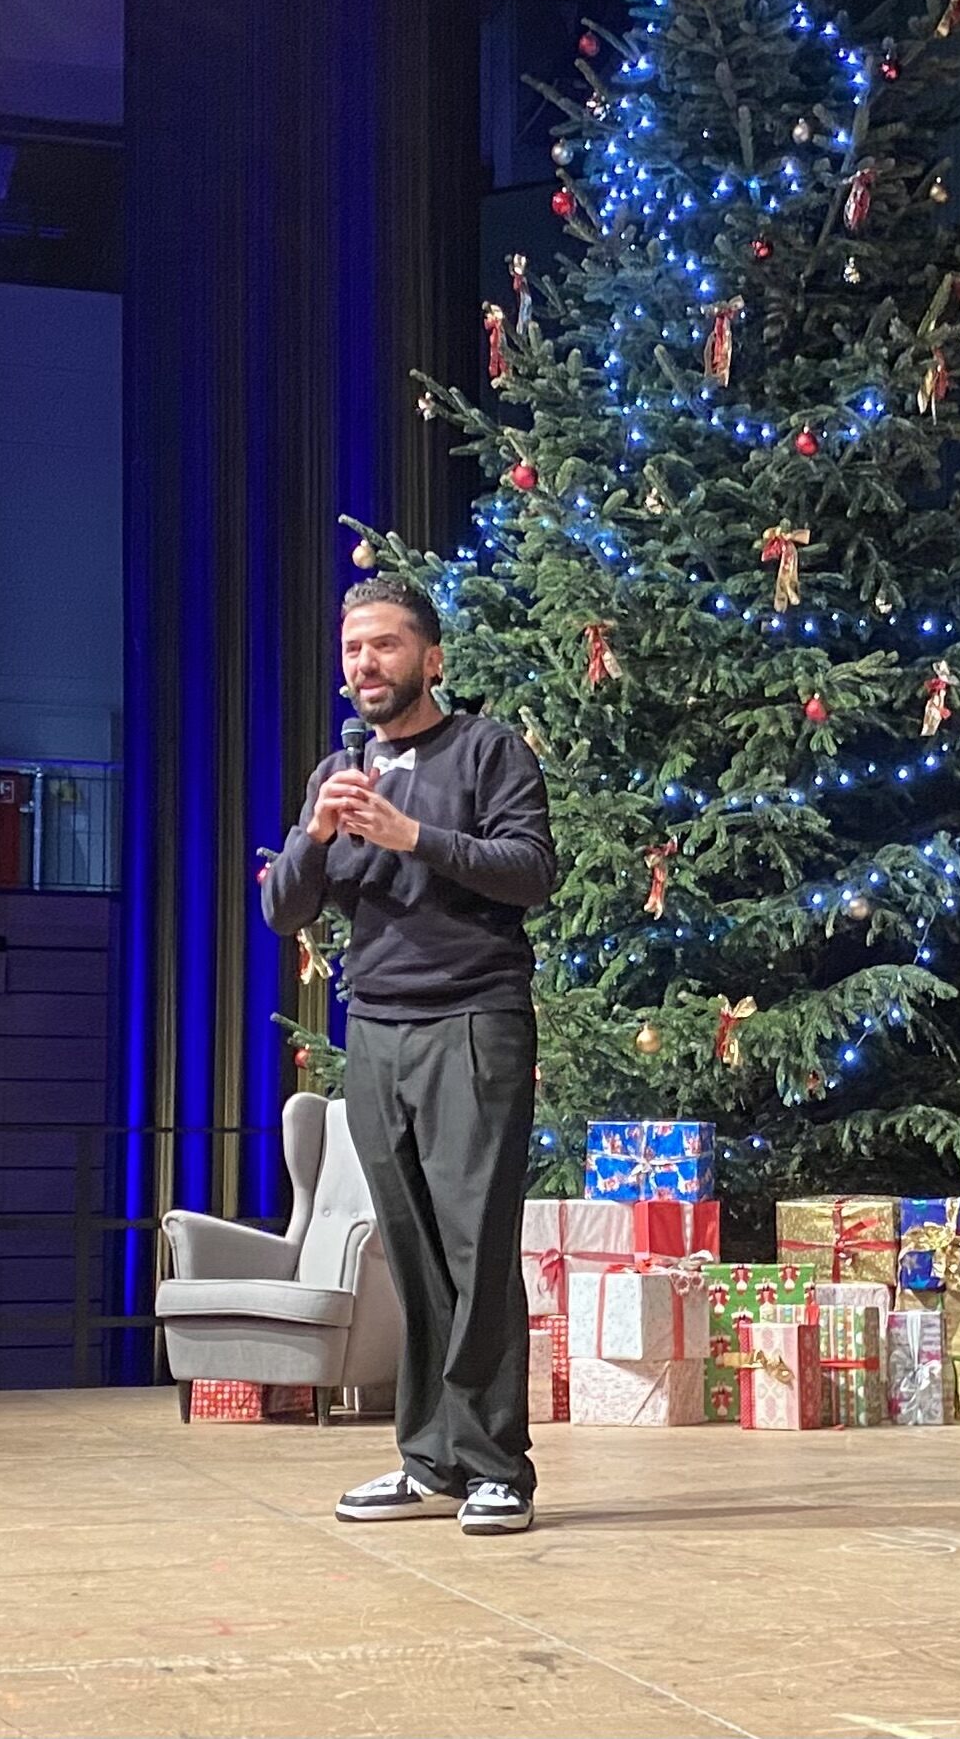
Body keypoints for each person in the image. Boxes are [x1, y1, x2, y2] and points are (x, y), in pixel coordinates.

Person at [262, 576, 556, 1534]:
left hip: (471, 1020)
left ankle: (496, 1465)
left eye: (384, 645)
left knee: (476, 1243)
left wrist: (413, 835)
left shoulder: (486, 750)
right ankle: (428, 1459)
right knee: (413, 1250)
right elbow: (283, 909)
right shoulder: (338, 772)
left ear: (430, 658)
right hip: (376, 1031)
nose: (365, 664)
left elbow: (531, 872)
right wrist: (317, 833)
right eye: (353, 649)